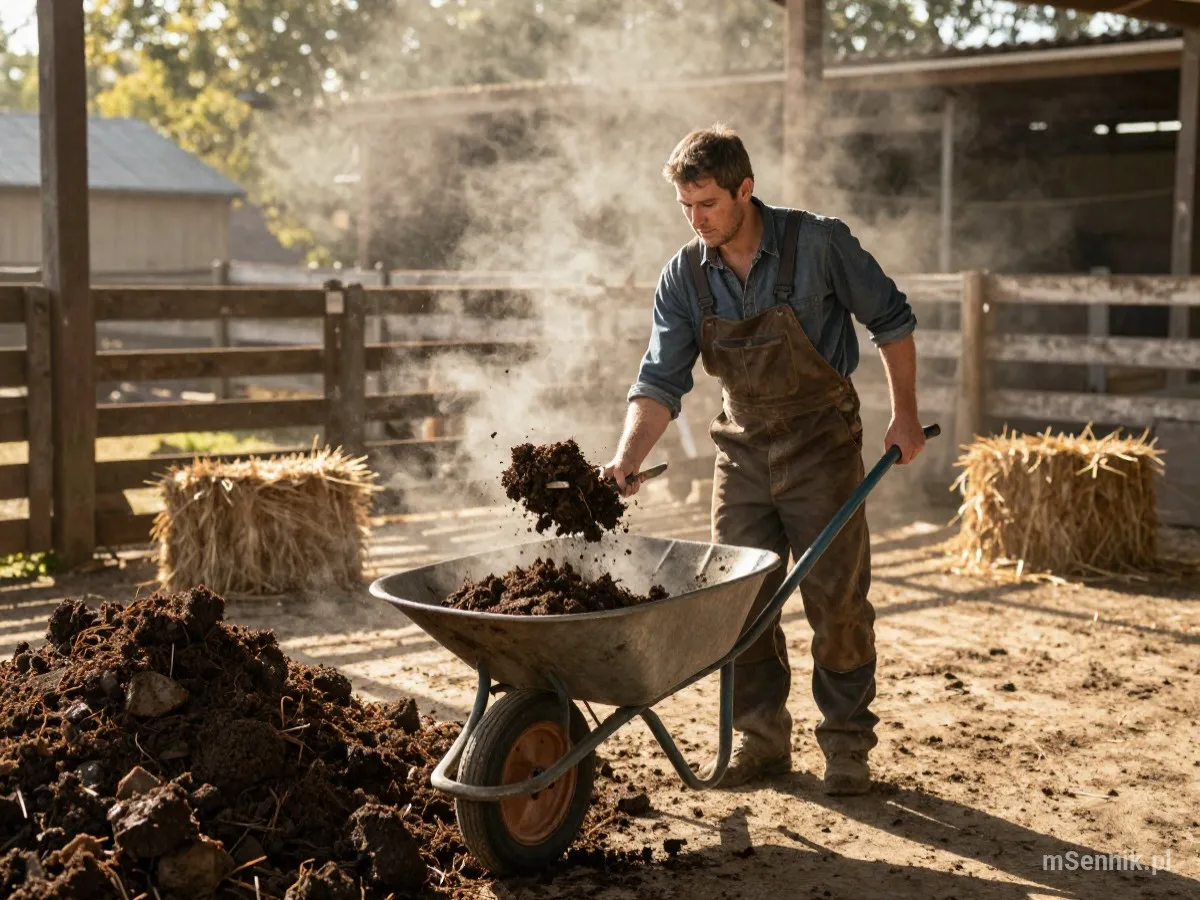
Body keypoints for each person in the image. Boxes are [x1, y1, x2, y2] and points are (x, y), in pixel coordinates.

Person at [601, 125, 926, 795]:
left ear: (745, 189)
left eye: (708, 205)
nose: (696, 220)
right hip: (742, 450)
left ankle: (845, 746)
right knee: (739, 600)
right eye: (685, 207)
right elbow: (662, 380)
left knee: (836, 601)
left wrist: (905, 415)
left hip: (822, 448)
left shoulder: (819, 243)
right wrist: (626, 458)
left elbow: (891, 320)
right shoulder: (685, 275)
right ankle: (760, 740)